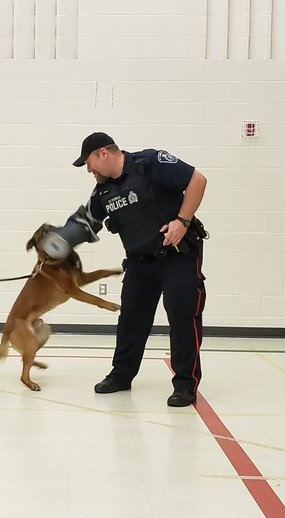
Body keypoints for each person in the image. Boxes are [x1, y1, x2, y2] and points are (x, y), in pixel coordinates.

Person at [70, 132, 208, 407]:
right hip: (139, 262)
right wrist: (55, 245)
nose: (88, 169)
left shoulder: (150, 163)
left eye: (89, 162)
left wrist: (182, 220)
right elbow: (84, 223)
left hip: (177, 256)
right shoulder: (103, 191)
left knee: (182, 317)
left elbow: (197, 180)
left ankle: (185, 384)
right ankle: (121, 376)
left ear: (103, 153)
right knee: (131, 320)